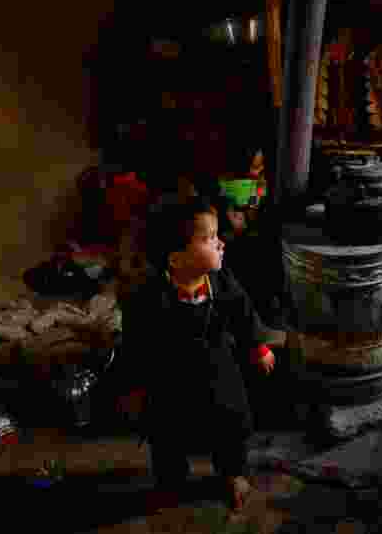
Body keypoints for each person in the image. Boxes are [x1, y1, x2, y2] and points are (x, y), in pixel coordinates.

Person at [115, 196, 279, 514]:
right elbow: (134, 344)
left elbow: (243, 314)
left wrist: (256, 346)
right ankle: (171, 479)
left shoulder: (221, 282)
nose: (220, 244)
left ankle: (233, 473)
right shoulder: (148, 299)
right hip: (169, 378)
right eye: (208, 239)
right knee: (165, 433)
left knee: (231, 424)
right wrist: (132, 386)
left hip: (219, 369)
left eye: (217, 235)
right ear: (176, 259)